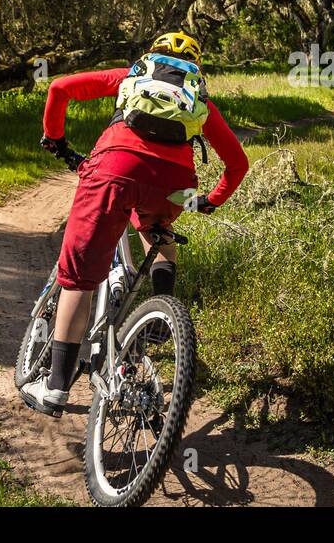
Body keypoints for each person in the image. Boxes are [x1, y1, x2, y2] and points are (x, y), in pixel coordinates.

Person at [20, 30, 247, 415]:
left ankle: (56, 387)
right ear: (195, 67)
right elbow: (237, 164)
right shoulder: (199, 99)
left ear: (152, 56)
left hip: (115, 169)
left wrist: (55, 140)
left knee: (79, 274)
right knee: (157, 231)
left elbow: (59, 88)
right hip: (174, 184)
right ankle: (161, 312)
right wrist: (209, 201)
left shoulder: (131, 76)